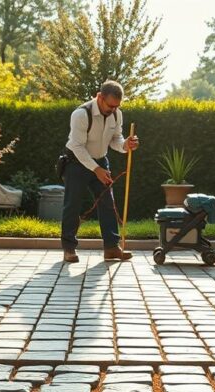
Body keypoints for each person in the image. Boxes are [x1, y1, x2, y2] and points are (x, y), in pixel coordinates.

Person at [61, 80, 140, 263]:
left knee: (108, 202)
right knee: (73, 204)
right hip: (76, 162)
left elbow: (115, 139)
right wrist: (96, 169)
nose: (113, 110)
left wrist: (125, 145)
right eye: (110, 105)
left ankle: (112, 247)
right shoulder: (81, 114)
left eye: (117, 106)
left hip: (101, 161)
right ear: (99, 97)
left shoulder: (116, 114)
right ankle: (69, 248)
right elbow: (77, 147)